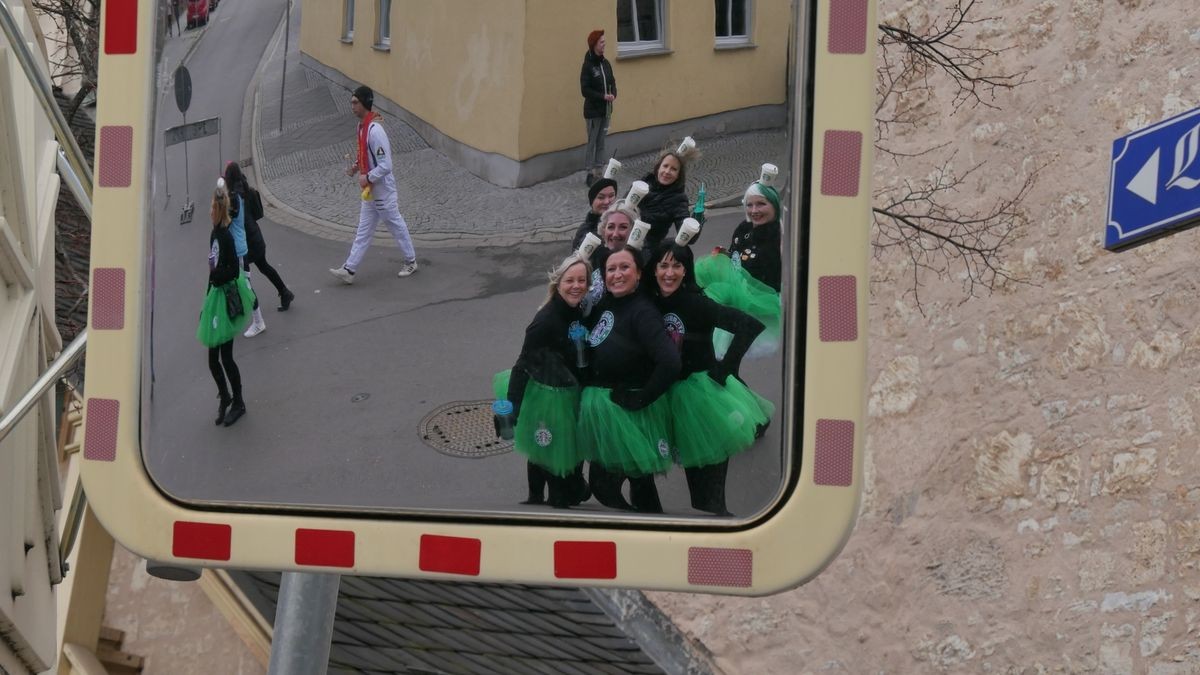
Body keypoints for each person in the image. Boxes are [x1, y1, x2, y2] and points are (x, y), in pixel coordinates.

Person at [645, 230, 774, 515]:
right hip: (661, 390)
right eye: (663, 265)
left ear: (686, 270)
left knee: (708, 465)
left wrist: (725, 369)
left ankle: (721, 516)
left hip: (697, 395)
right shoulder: (649, 302)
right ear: (653, 270)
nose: (669, 273)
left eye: (676, 266)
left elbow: (748, 326)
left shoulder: (696, 303)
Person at [578, 246, 680, 513]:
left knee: (614, 483)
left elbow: (670, 362)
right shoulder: (607, 303)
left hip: (627, 413)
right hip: (606, 408)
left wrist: (642, 397)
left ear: (638, 274)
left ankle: (648, 528)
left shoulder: (642, 311)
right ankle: (648, 525)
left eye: (625, 267)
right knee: (632, 481)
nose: (617, 274)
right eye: (611, 269)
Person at [493, 255, 592, 508]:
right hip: (547, 396)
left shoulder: (578, 309)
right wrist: (511, 409)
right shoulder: (545, 321)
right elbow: (522, 364)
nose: (576, 285)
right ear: (558, 283)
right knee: (550, 449)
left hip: (568, 390)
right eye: (570, 280)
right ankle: (550, 502)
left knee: (550, 449)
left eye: (582, 280)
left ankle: (539, 497)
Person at [330, 85, 419, 284]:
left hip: (382, 191)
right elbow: (365, 155)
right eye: (352, 102)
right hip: (370, 192)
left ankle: (411, 261)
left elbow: (386, 164)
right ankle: (349, 269)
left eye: (355, 102)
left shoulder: (375, 131)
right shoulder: (362, 127)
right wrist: (355, 167)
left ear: (364, 104)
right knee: (363, 230)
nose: (352, 106)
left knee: (395, 225)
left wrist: (367, 177)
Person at [695, 163, 783, 358]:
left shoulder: (780, 236)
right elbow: (737, 255)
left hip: (758, 304)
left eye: (761, 204)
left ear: (774, 206)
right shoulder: (743, 228)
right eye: (750, 204)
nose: (754, 210)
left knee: (728, 355)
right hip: (733, 300)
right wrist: (725, 256)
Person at [195, 185, 256, 427]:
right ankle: (225, 396)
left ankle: (238, 402)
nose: (209, 211)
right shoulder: (213, 234)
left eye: (211, 207)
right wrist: (206, 298)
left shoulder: (226, 237)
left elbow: (231, 270)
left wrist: (217, 275)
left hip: (226, 296)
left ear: (219, 210)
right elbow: (213, 270)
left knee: (226, 357)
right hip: (215, 297)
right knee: (213, 359)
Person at [224, 162, 295, 319]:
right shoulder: (245, 189)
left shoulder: (234, 197)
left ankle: (244, 310)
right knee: (263, 267)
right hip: (255, 237)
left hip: (246, 242)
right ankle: (284, 292)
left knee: (240, 276)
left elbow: (229, 219)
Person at [637, 139, 699, 250]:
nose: (667, 171)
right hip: (624, 243)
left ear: (679, 175)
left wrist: (697, 219)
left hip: (648, 252)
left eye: (673, 169)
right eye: (665, 166)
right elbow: (623, 207)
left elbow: (688, 238)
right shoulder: (645, 182)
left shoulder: (678, 199)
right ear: (658, 167)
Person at [580, 29, 616, 187]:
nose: (604, 45)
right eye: (601, 42)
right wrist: (602, 96)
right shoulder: (587, 66)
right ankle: (589, 173)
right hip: (593, 112)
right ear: (594, 44)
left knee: (601, 142)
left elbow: (613, 83)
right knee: (592, 142)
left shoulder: (606, 63)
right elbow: (585, 90)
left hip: (606, 110)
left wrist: (613, 94)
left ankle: (599, 172)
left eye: (604, 42)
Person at [571, 163, 619, 251]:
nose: (607, 201)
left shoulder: (625, 223)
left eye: (611, 196)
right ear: (592, 202)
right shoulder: (584, 231)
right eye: (601, 197)